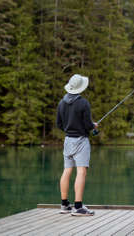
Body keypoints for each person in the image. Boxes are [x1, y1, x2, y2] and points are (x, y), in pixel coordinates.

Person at [56, 74, 98, 216]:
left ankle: (64, 204)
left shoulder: (61, 102)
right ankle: (78, 207)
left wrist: (70, 130)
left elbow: (59, 124)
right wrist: (93, 126)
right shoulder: (83, 103)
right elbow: (87, 125)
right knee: (81, 171)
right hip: (80, 141)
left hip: (68, 140)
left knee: (67, 170)